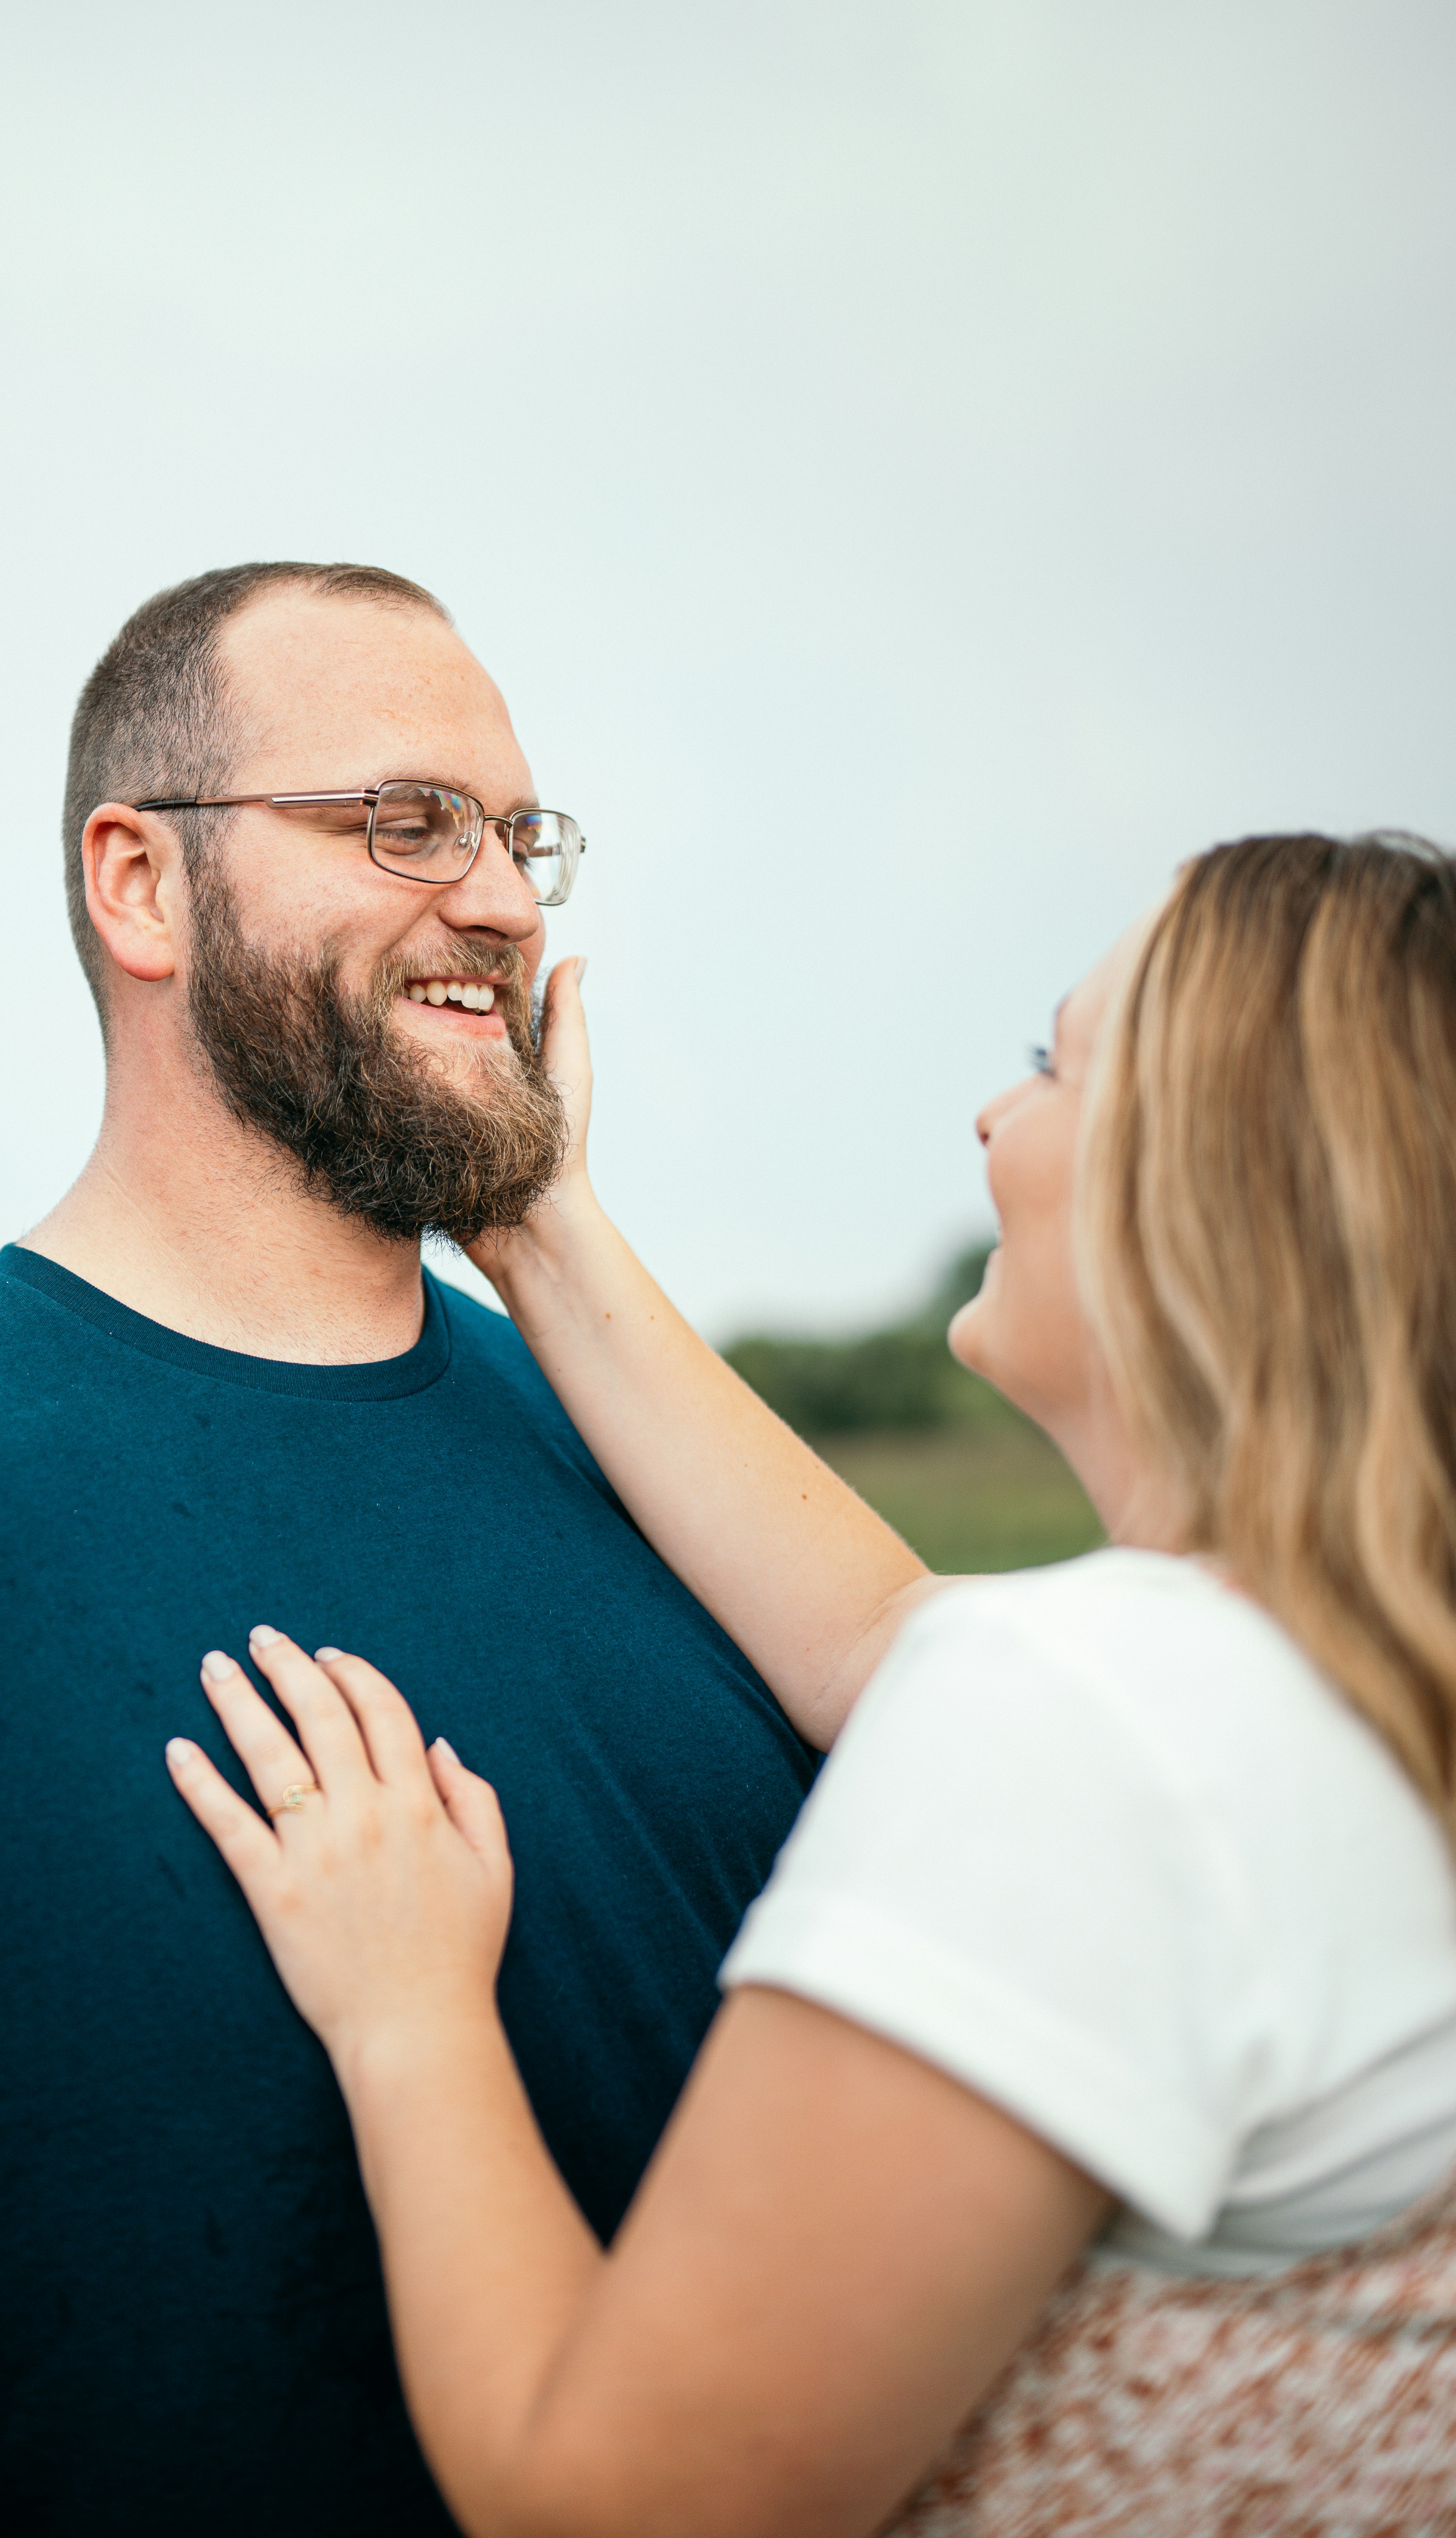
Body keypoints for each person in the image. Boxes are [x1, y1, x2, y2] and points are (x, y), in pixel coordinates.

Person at [0, 562, 903, 2537]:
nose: (497, 896)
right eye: (405, 818)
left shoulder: (663, 1457)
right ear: (139, 884)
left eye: (516, 834)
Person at [171, 829, 1456, 2536]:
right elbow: (876, 1639)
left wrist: (408, 2008)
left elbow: (612, 2503)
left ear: (1216, 1176)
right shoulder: (1324, 1677)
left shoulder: (1090, 1717)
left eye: (1050, 1064)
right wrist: (532, 1213)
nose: (993, 1122)